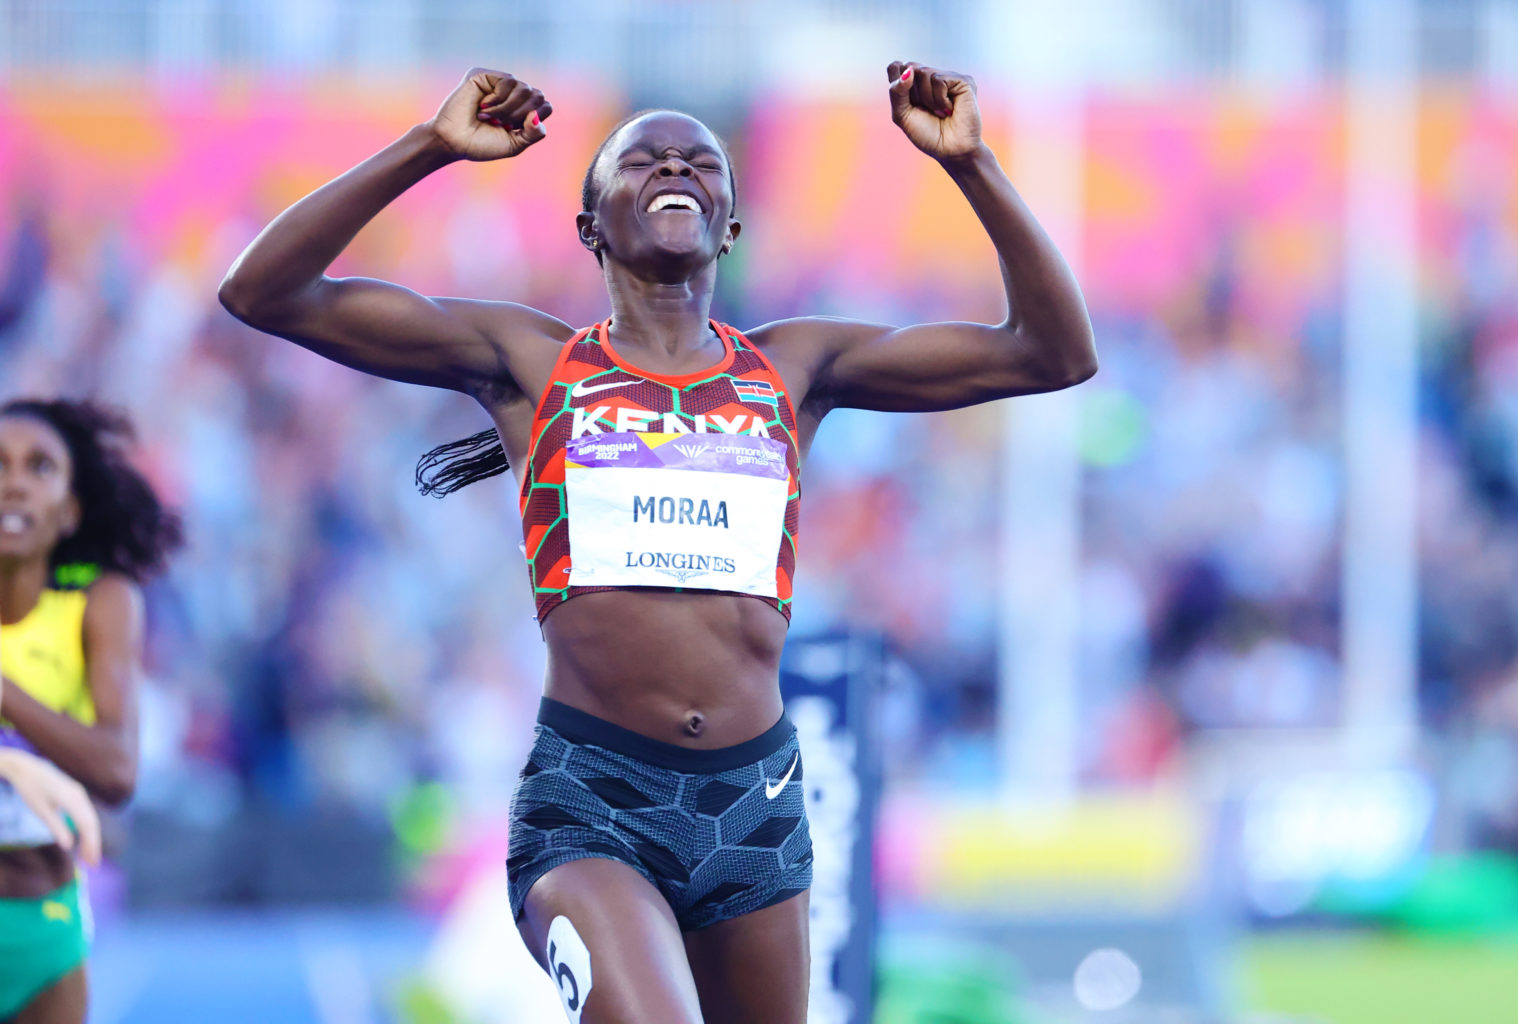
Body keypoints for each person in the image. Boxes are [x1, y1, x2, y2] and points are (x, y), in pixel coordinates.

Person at [220, 61, 1095, 1024]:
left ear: (730, 223)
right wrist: (431, 147)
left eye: (700, 159)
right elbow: (265, 291)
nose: (673, 164)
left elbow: (1053, 352)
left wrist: (972, 166)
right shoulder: (533, 363)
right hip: (591, 802)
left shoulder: (798, 367)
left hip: (753, 807)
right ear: (592, 225)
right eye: (640, 160)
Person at [0, 399, 181, 1024]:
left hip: (45, 921)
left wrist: (5, 695)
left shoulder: (101, 602)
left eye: (39, 466)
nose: (14, 480)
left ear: (70, 510)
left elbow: (117, 772)